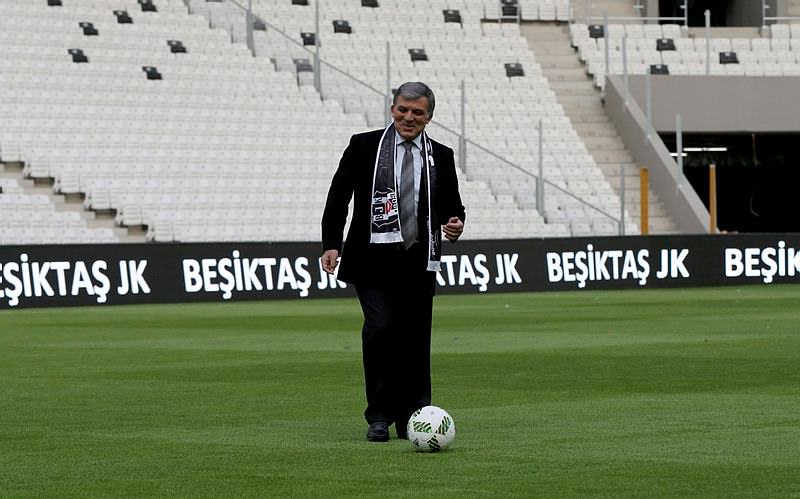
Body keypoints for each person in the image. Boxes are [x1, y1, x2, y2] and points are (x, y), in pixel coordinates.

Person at [320, 82, 465, 442]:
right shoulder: (364, 146)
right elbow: (338, 196)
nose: (408, 117)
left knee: (415, 340)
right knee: (381, 328)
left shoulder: (441, 155)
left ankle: (413, 416)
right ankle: (379, 415)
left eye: (417, 112)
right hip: (371, 260)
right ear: (392, 109)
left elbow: (452, 205)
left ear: (429, 117)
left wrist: (455, 223)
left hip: (418, 262)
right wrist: (331, 244)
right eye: (403, 110)